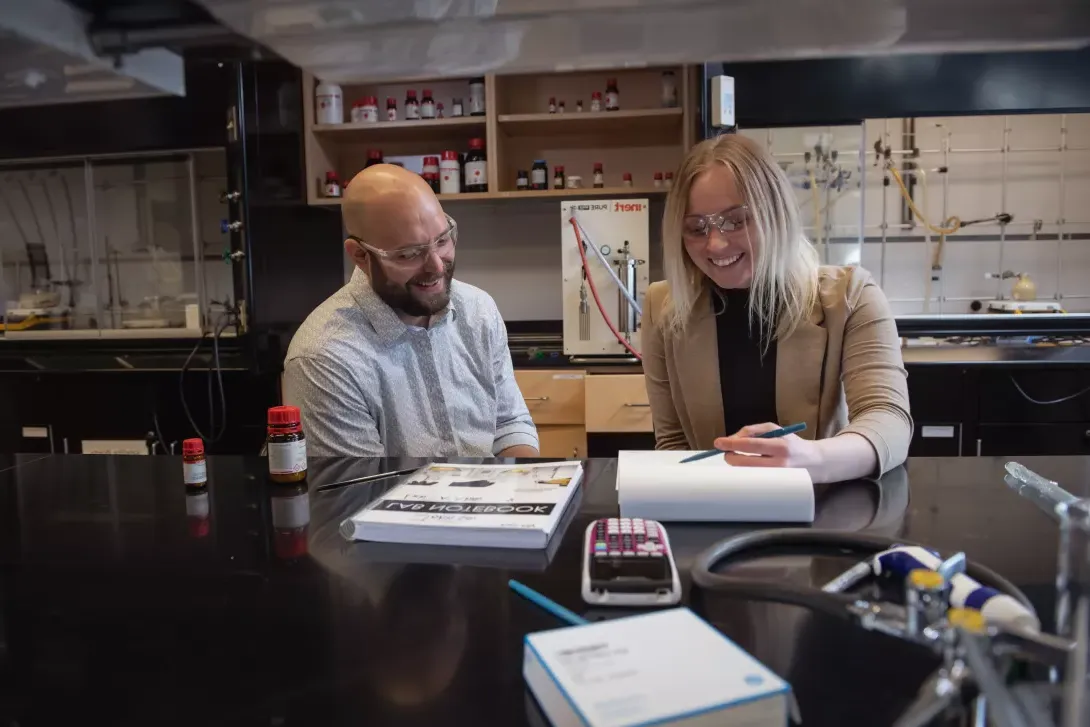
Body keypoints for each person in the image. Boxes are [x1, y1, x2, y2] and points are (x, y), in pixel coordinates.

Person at [642, 134, 911, 483]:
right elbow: (672, 443)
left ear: (776, 213)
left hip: (825, 508)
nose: (716, 243)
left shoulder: (852, 296)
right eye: (696, 228)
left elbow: (888, 420)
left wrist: (813, 458)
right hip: (716, 508)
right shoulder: (661, 307)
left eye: (736, 221)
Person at [283, 164, 538, 457]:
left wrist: (527, 491)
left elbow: (508, 425)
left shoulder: (478, 311)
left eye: (442, 241)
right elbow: (356, 491)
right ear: (361, 256)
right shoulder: (325, 358)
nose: (437, 266)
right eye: (409, 254)